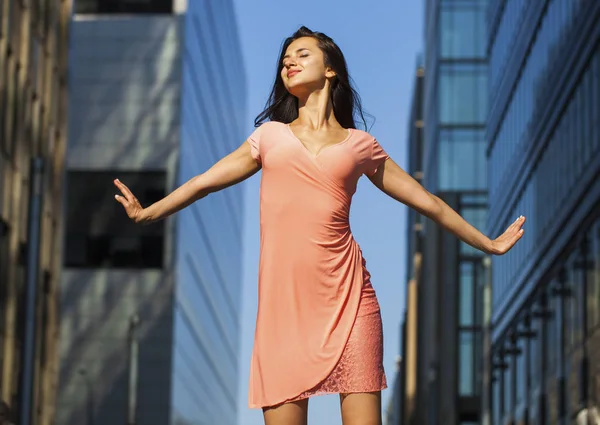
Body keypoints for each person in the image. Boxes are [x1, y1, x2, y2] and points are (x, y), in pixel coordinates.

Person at [114, 26, 525, 425]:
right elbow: (204, 182)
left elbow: (430, 203)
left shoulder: (360, 145)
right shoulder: (268, 137)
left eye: (302, 54)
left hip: (351, 303)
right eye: (285, 60)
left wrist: (487, 243)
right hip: (283, 314)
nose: (289, 63)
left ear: (331, 69)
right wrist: (148, 212)